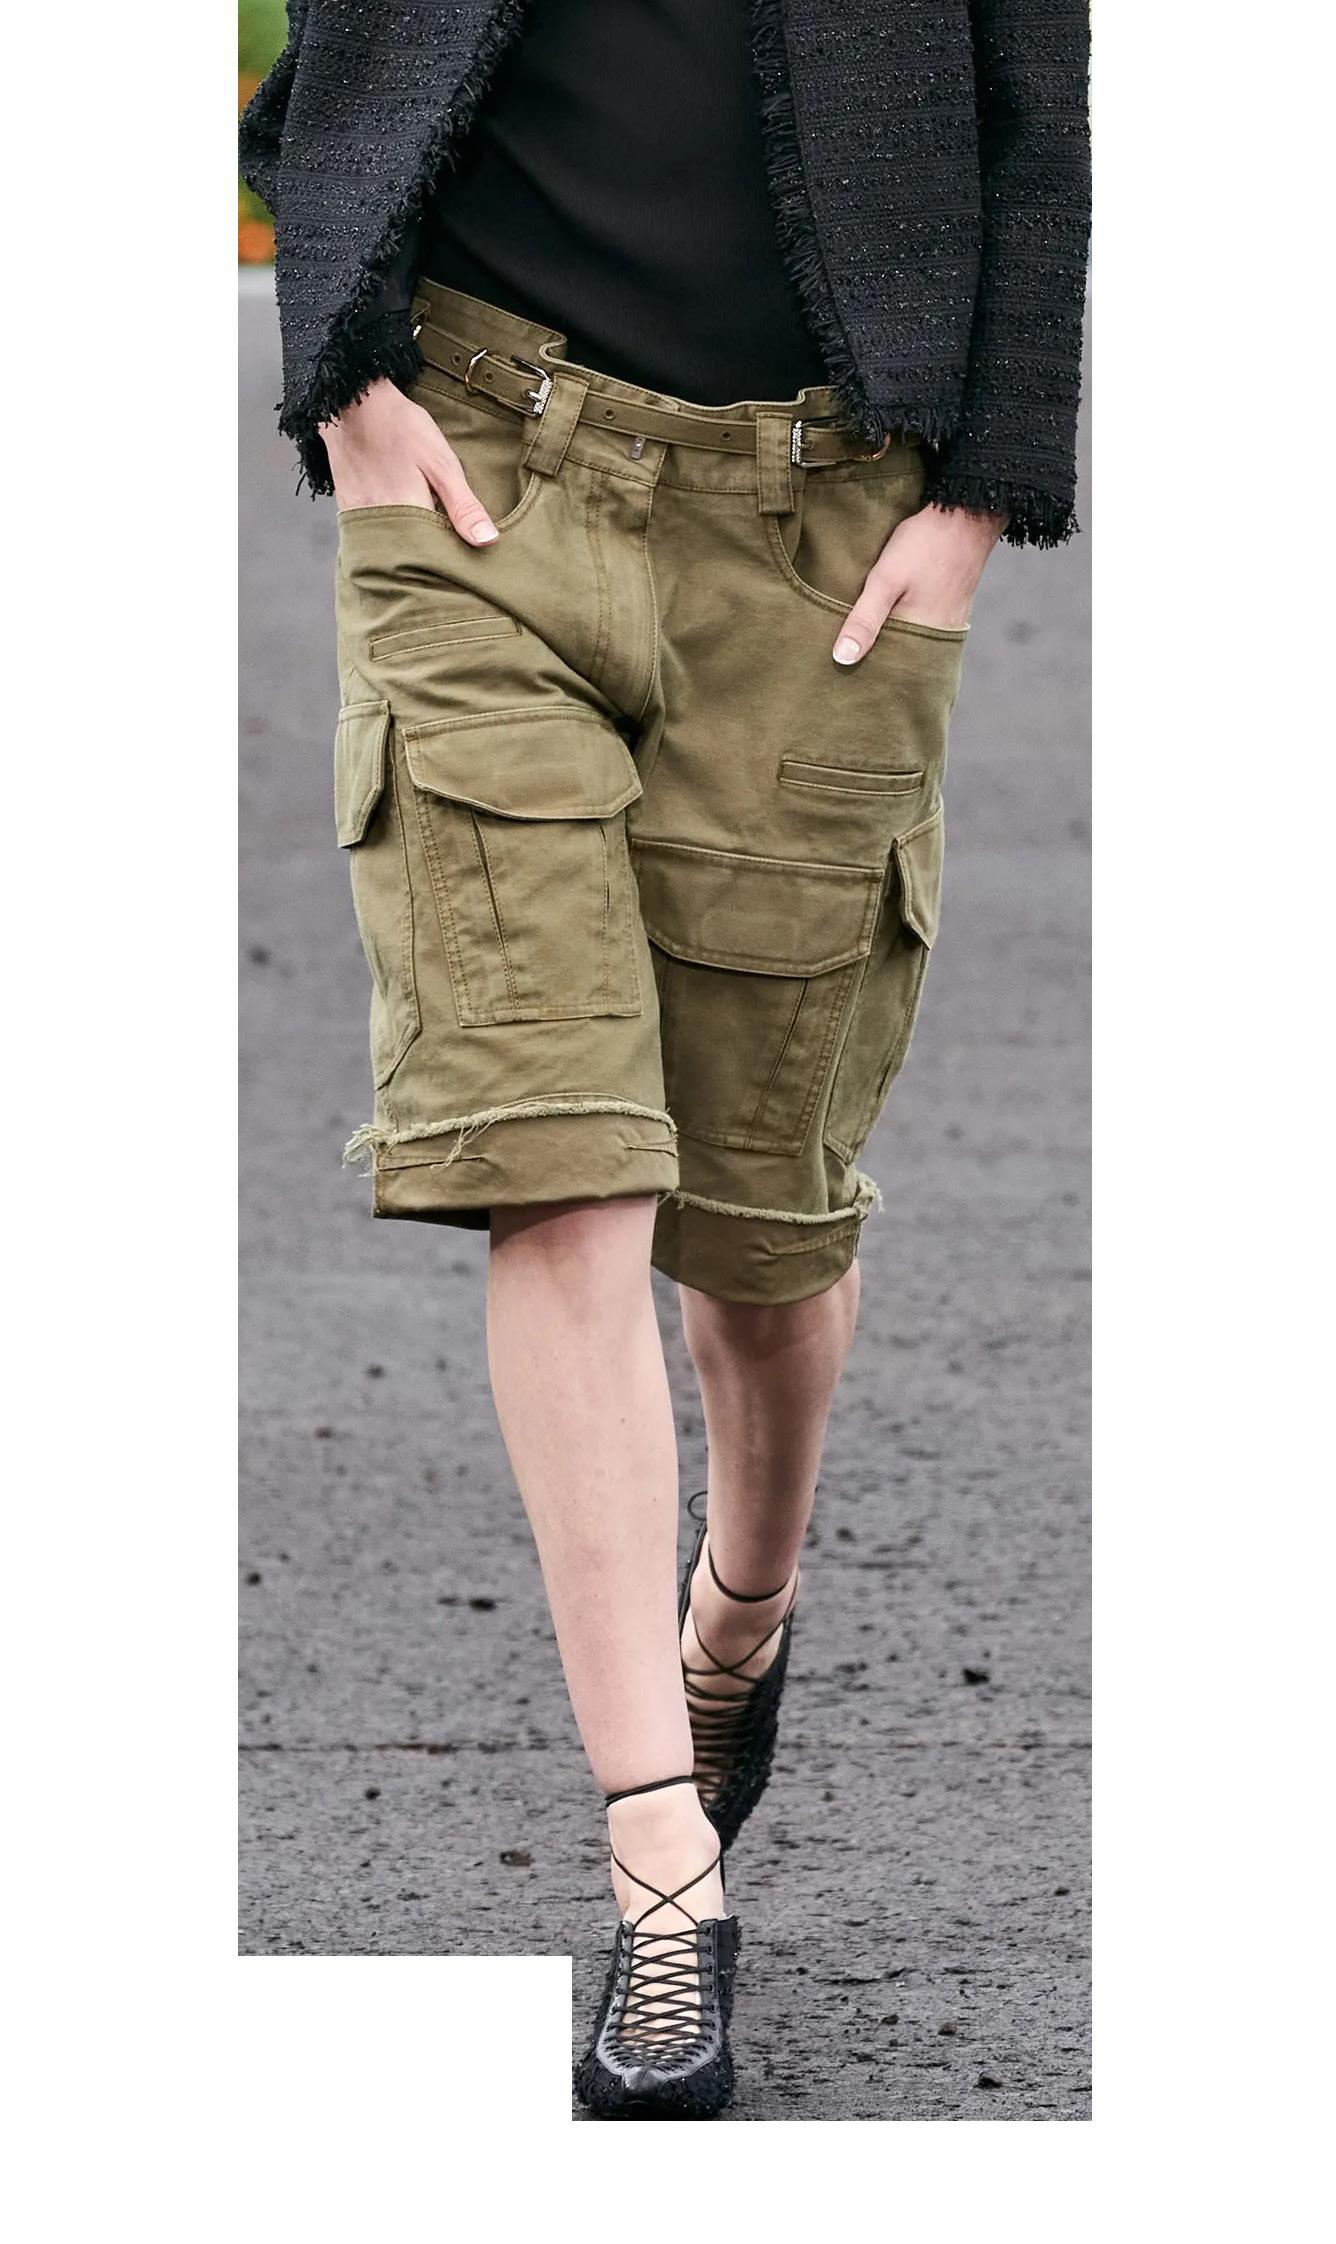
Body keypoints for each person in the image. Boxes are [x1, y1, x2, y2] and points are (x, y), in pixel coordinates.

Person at [242, 0, 1090, 2119]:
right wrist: (339, 366)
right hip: (479, 477)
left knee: (758, 1236)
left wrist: (980, 497)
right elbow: (335, 50)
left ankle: (746, 1607)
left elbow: (1036, 113)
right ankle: (659, 1861)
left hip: (827, 537)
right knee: (555, 1157)